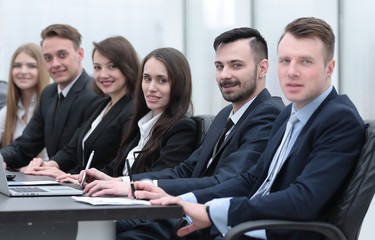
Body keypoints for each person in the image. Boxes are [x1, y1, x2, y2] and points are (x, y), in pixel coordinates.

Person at [146, 17, 366, 240]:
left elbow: (303, 200)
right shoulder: (288, 116)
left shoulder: (339, 118)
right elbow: (252, 179)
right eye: (285, 60)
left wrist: (215, 212)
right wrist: (188, 200)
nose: (292, 71)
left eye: (305, 61)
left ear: (329, 68)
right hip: (242, 230)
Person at [80, 28, 285, 239]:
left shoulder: (268, 114)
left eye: (236, 65)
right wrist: (123, 183)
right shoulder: (225, 114)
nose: (225, 75)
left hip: (206, 224)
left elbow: (226, 182)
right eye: (219, 66)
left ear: (262, 69)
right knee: (92, 227)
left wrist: (136, 189)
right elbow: (185, 170)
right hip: (178, 213)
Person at [59, 47, 199, 184]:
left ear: (179, 85)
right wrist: (86, 178)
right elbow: (116, 168)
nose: (151, 88)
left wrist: (118, 182)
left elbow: (161, 177)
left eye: (162, 80)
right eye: (147, 78)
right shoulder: (142, 122)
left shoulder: (182, 128)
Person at [22, 36, 139, 178]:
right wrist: (48, 166)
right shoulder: (103, 104)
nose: (103, 75)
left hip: (103, 191)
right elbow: (72, 149)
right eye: (97, 67)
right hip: (82, 187)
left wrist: (76, 178)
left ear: (128, 67)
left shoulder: (132, 109)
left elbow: (120, 164)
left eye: (112, 66)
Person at [0, 24, 99, 170]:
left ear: (80, 54)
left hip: (77, 185)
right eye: (48, 58)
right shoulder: (49, 94)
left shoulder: (95, 94)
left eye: (62, 55)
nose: (55, 64)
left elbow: (79, 156)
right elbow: (25, 146)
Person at [0, 43, 50, 162]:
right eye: (17, 65)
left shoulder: (51, 109)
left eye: (31, 66)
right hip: (13, 178)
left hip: (46, 178)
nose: (23, 71)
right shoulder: (6, 112)